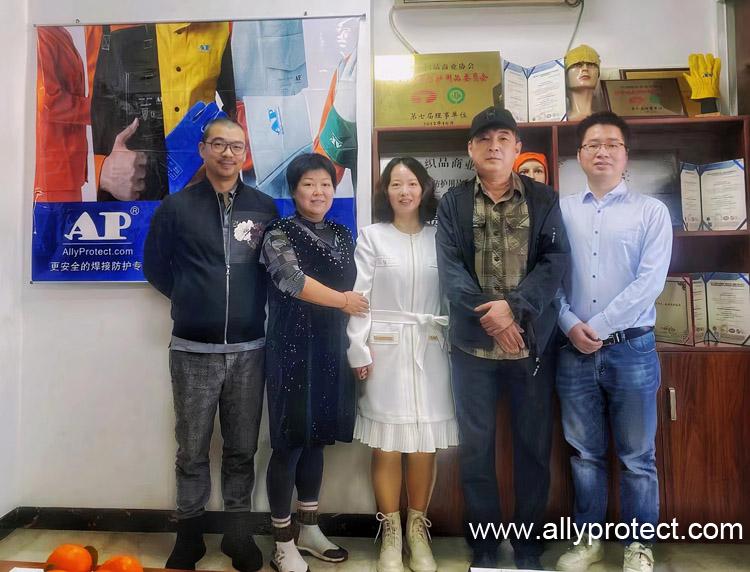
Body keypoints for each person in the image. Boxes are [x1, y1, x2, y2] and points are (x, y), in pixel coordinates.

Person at [436, 106, 569, 571]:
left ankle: (528, 546)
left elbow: (554, 263)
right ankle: (485, 545)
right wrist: (493, 318)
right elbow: (451, 272)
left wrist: (514, 310)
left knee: (533, 448)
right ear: (470, 149)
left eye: (503, 139)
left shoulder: (544, 199)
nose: (494, 146)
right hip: (471, 349)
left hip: (530, 347)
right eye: (484, 139)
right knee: (476, 448)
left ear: (517, 148)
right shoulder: (452, 203)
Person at [143, 117, 277, 572]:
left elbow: (272, 269)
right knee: (191, 449)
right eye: (218, 144)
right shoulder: (176, 207)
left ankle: (239, 536)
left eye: (236, 146)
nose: (227, 153)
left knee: (242, 448)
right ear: (203, 149)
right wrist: (189, 297)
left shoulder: (263, 207)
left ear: (245, 154)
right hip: (192, 350)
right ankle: (189, 537)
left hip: (249, 348)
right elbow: (155, 266)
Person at [555, 111, 672, 572]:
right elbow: (549, 277)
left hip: (632, 348)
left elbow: (650, 283)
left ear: (626, 154)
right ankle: (588, 542)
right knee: (584, 454)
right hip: (572, 349)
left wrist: (598, 327)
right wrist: (569, 324)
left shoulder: (651, 212)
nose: (602, 152)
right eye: (593, 145)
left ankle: (639, 545)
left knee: (638, 456)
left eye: (612, 144)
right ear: (579, 155)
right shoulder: (562, 210)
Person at [347, 158, 459, 572]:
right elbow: (360, 298)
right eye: (396, 184)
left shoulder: (440, 237)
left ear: (424, 188)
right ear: (386, 191)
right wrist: (358, 349)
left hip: (431, 348)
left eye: (412, 183)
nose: (405, 191)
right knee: (388, 444)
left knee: (425, 444)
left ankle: (417, 529)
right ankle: (391, 533)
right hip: (386, 349)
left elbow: (451, 295)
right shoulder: (372, 237)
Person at [260, 152, 369, 572]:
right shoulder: (278, 232)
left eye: (325, 184)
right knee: (289, 442)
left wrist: (360, 347)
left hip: (331, 348)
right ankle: (282, 541)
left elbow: (363, 286)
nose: (318, 191)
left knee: (316, 439)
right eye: (308, 184)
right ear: (294, 190)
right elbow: (291, 280)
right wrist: (343, 301)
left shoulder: (342, 233)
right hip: (291, 348)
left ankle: (309, 529)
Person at [86, 22, 235, 201]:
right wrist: (101, 170)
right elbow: (63, 126)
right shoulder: (99, 21)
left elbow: (244, 116)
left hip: (201, 195)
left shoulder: (225, 24)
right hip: (120, 200)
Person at [34, 26, 89, 203]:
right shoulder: (42, 35)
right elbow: (47, 102)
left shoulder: (60, 31)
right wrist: (96, 110)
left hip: (69, 166)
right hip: (53, 170)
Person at [565, 44, 601, 122]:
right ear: (565, 75)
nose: (585, 69)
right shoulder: (556, 120)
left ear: (598, 74)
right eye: (577, 65)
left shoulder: (605, 121)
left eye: (591, 65)